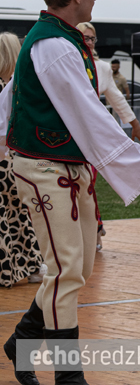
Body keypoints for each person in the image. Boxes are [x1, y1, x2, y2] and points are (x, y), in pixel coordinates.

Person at [0, 0, 140, 385]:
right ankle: (67, 375)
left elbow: (11, 98)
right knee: (66, 269)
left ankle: (23, 338)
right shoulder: (53, 45)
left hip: (65, 166)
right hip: (43, 166)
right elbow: (90, 115)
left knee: (80, 266)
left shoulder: (59, 41)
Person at [76, 22, 140, 252]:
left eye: (92, 38)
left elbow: (117, 99)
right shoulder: (67, 62)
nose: (88, 41)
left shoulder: (102, 68)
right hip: (64, 136)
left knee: (87, 185)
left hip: (90, 139)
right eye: (84, 37)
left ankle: (94, 230)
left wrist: (135, 125)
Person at [0, 32, 44, 289]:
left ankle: (12, 268)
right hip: (17, 158)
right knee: (18, 215)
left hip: (5, 156)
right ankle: (31, 265)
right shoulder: (20, 87)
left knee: (8, 217)